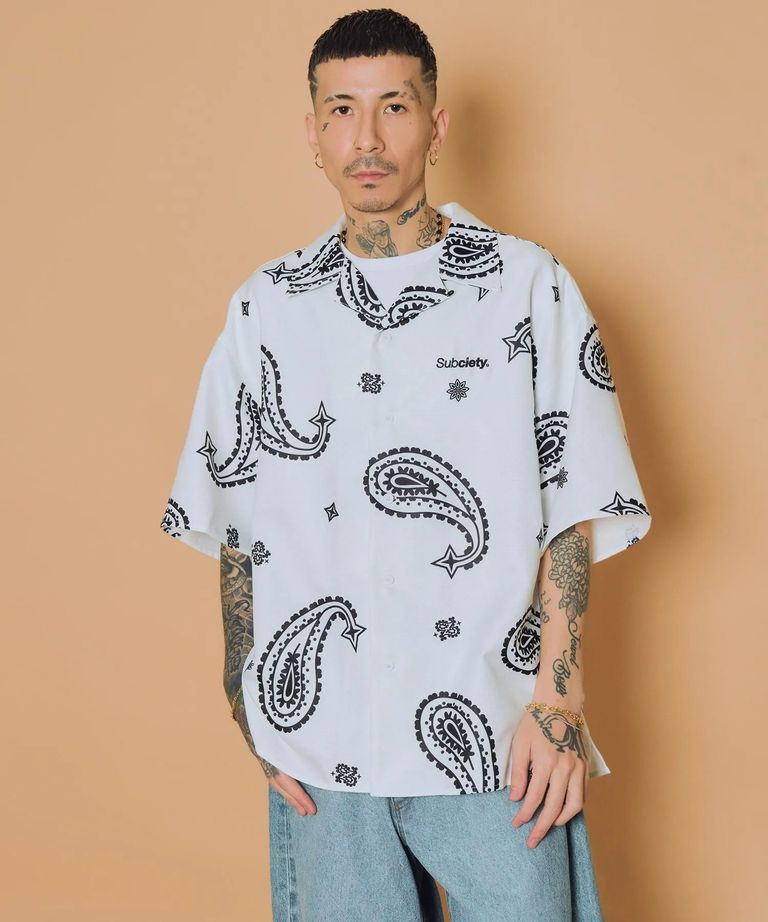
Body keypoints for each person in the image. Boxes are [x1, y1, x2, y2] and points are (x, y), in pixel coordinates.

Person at [159, 8, 652, 920]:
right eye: (342, 111)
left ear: (436, 123)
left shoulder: (527, 285)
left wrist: (558, 701)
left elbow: (575, 500)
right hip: (321, 747)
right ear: (313, 134)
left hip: (494, 728)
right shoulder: (267, 308)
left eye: (394, 106)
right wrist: (246, 702)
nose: (368, 138)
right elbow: (235, 517)